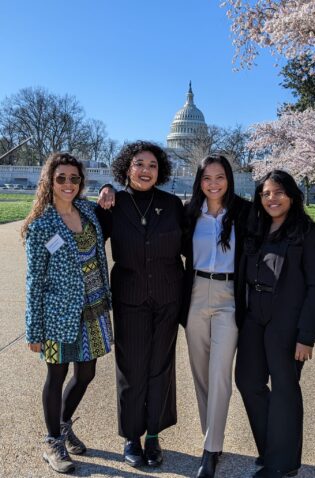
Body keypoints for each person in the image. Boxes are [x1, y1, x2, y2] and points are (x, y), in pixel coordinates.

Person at [22, 152, 112, 474]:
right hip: (58, 312)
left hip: (94, 306)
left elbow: (112, 200)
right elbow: (34, 281)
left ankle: (63, 425)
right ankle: (52, 441)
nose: (68, 184)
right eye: (61, 178)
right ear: (49, 181)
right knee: (56, 375)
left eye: (74, 178)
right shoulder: (42, 225)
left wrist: (108, 185)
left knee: (86, 374)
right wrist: (33, 329)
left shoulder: (87, 211)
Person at [235, 170, 315, 478]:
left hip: (287, 322)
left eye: (277, 192)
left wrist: (307, 336)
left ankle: (283, 464)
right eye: (265, 194)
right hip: (254, 317)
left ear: (292, 195)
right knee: (248, 381)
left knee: (286, 389)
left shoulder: (309, 233)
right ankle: (271, 449)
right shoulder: (256, 228)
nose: (271, 199)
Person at [96, 140, 184, 468]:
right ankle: (132, 436)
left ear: (160, 171)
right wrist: (105, 188)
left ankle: (155, 436)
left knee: (160, 367)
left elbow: (196, 243)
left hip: (167, 297)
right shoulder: (113, 204)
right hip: (129, 297)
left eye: (152, 165)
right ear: (126, 168)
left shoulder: (173, 205)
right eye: (139, 164)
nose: (145, 170)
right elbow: (85, 235)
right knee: (131, 368)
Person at [180, 155, 251, 478]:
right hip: (195, 292)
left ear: (229, 179)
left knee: (220, 373)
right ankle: (213, 437)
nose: (213, 184)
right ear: (199, 180)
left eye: (219, 177)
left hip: (228, 298)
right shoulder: (189, 211)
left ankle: (210, 451)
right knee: (201, 374)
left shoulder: (244, 212)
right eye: (207, 178)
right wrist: (109, 187)